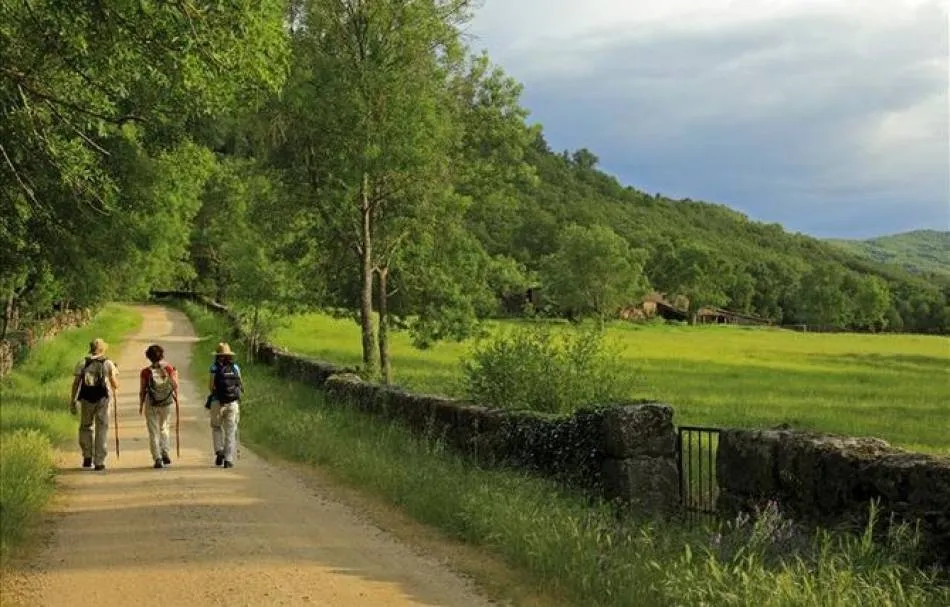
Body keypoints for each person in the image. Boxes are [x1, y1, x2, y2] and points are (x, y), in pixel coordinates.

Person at [70, 338, 119, 471]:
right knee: (102, 428)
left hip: (86, 398)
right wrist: (115, 378)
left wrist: (73, 400)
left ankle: (87, 456)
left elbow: (76, 383)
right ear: (102, 349)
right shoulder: (107, 363)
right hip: (103, 399)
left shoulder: (82, 362)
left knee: (85, 426)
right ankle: (99, 461)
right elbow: (115, 384)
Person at [139, 344, 179, 469]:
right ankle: (165, 451)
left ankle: (157, 457)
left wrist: (141, 404)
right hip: (166, 401)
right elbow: (175, 385)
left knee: (153, 431)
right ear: (161, 355)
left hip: (151, 402)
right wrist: (176, 375)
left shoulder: (145, 372)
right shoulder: (168, 369)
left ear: (148, 357)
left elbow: (142, 390)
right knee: (164, 427)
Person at [208, 342, 242, 469]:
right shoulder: (235, 367)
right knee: (230, 431)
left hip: (217, 402)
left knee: (216, 427)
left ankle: (219, 451)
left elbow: (211, 386)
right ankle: (228, 459)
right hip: (232, 403)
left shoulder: (214, 368)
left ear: (217, 355)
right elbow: (240, 384)